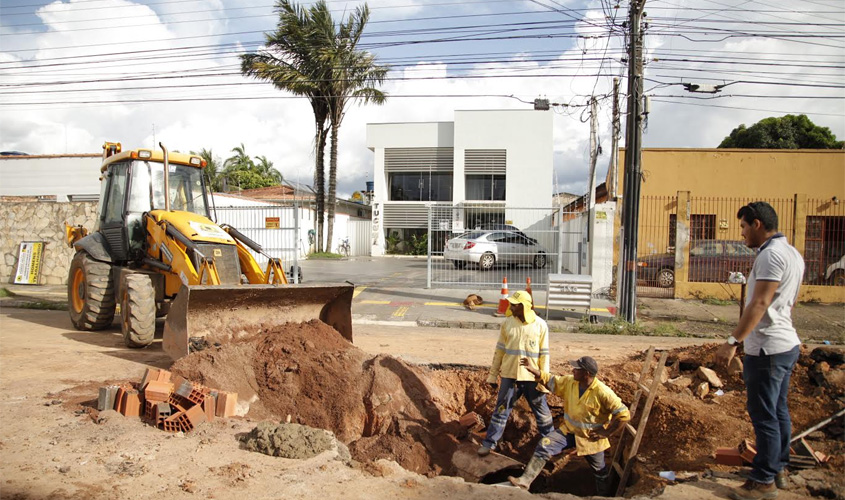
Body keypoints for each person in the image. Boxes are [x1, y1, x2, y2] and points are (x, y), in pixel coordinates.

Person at [716, 201, 804, 500]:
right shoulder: (792, 253)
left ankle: (763, 481)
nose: (741, 234)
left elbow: (760, 303)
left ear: (757, 224)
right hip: (785, 343)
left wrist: (732, 342)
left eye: (742, 226)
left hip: (767, 348)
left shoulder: (771, 255)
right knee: (778, 412)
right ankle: (776, 468)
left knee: (764, 415)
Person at [508, 356, 629, 496]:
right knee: (545, 444)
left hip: (590, 438)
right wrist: (534, 370)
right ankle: (524, 481)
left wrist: (607, 433)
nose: (573, 370)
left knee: (600, 472)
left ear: (587, 374)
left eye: (577, 369)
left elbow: (624, 414)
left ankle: (603, 497)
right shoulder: (570, 382)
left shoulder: (603, 393)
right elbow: (551, 380)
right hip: (568, 431)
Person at [478, 290, 553, 456]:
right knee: (501, 410)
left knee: (542, 412)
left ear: (524, 307)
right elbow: (499, 351)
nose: (510, 307)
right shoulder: (507, 324)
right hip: (510, 375)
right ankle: (490, 443)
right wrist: (492, 375)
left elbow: (544, 355)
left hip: (532, 377)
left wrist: (544, 379)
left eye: (514, 305)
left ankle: (550, 445)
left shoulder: (540, 325)